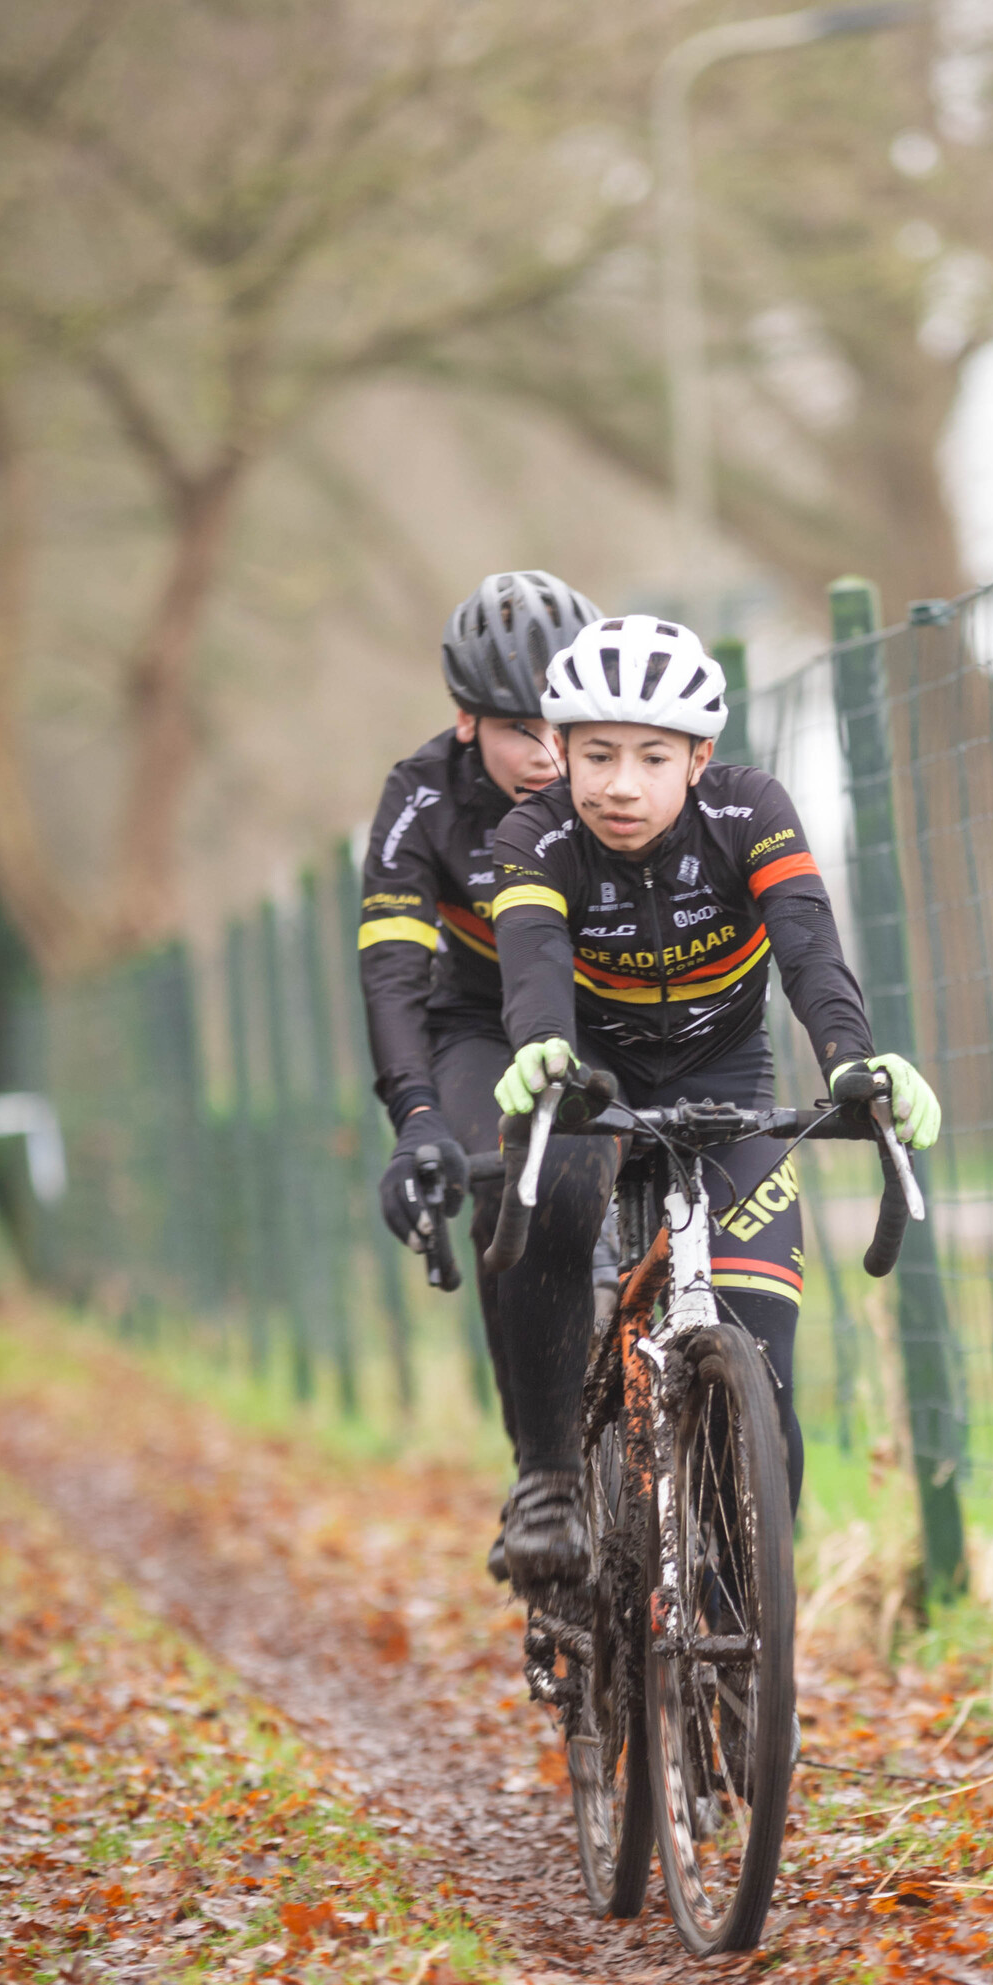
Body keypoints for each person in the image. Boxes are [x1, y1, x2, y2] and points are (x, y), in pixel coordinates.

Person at [486, 609, 940, 1597]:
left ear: (698, 760)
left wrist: (853, 1065)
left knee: (764, 1380)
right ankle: (553, 1478)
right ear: (557, 751)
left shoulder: (750, 811)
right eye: (595, 753)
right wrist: (541, 1057)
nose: (618, 783)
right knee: (551, 1207)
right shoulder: (532, 835)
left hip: (723, 1079)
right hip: (590, 1077)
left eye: (650, 757)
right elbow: (532, 968)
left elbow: (810, 950)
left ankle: (742, 1645)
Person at [358, 569, 611, 1579]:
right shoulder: (418, 799)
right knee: (515, 1181)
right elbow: (392, 975)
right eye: (519, 731)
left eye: (564, 726)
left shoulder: (624, 768)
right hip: (481, 1025)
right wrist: (417, 1119)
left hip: (620, 1015)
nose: (550, 757)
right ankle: (545, 1475)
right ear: (466, 721)